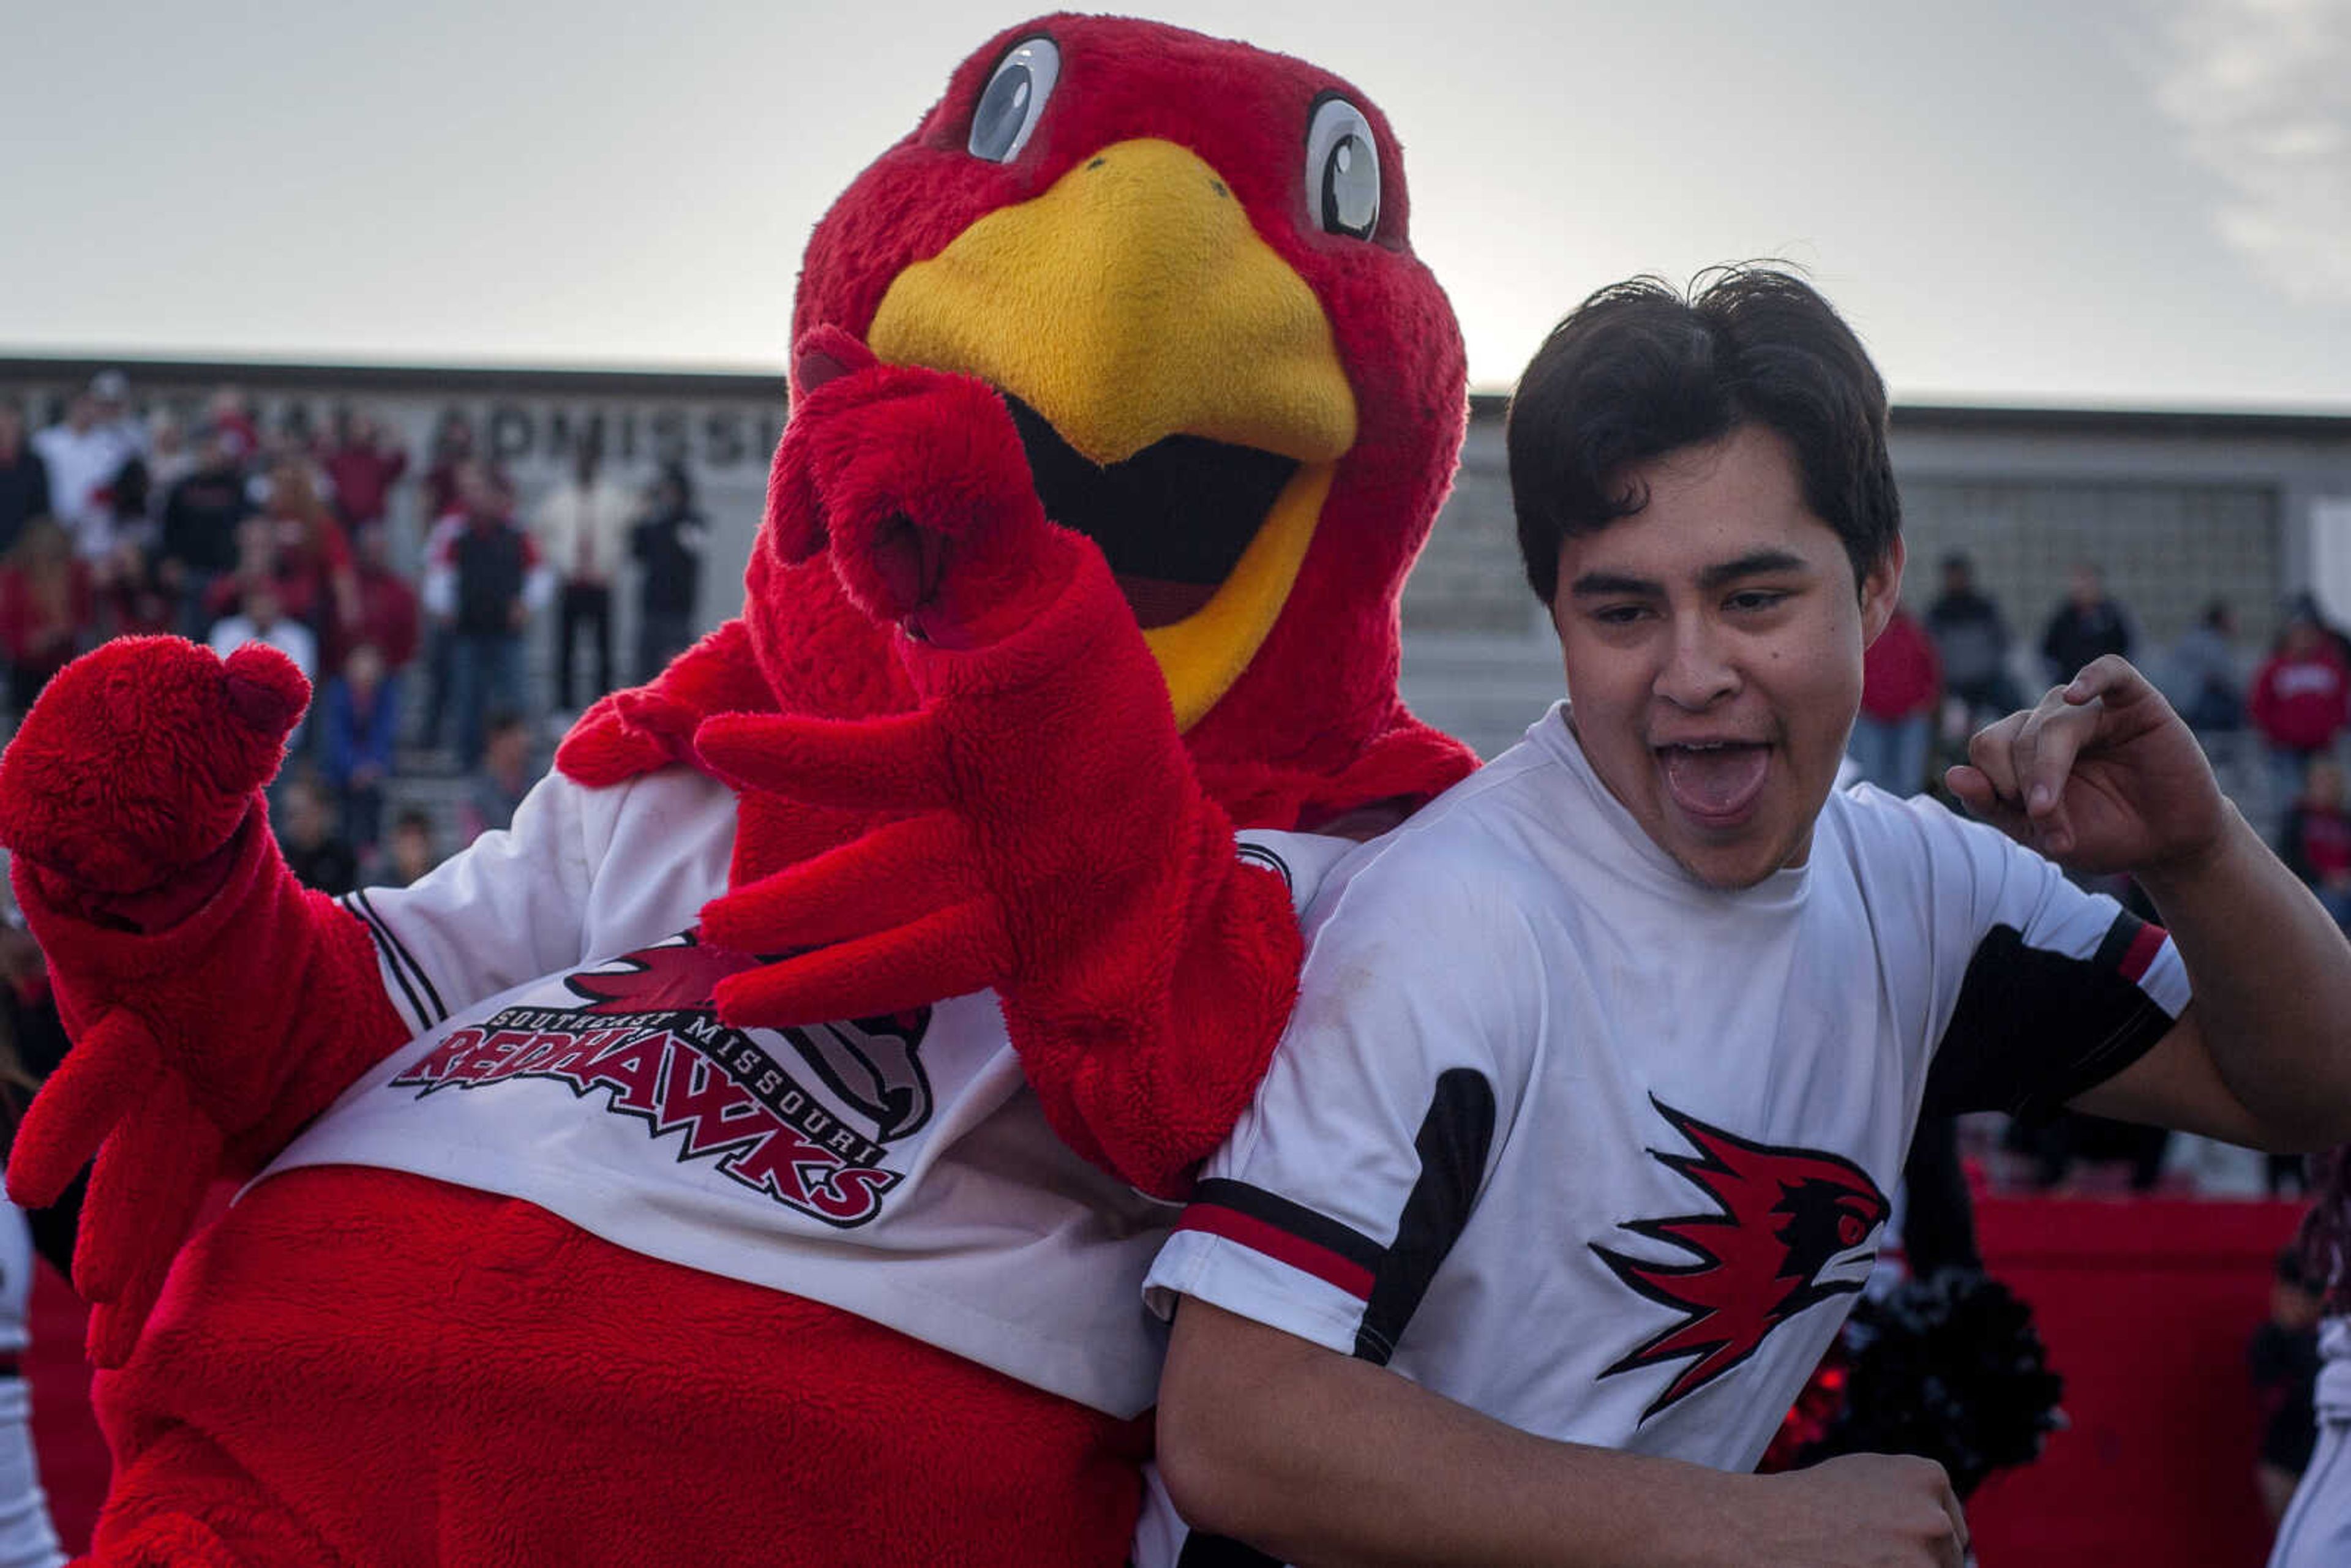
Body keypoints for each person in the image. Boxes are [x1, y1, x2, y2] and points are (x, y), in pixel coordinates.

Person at [1142, 269, 2351, 1568]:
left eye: (1755, 598)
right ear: (1558, 613)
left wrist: (2200, 847)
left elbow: (2306, 1084)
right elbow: (1235, 1420)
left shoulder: (1920, 890)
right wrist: (1744, 1528)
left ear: (1877, 586)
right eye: (1623, 609)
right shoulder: (1456, 918)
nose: (1695, 669)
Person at [424, 465, 547, 768]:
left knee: (514, 702)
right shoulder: (457, 533)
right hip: (469, 632)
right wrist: (443, 607)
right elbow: (439, 573)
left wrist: (526, 605)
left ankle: (520, 767)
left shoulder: (517, 533)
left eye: (485, 492)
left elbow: (541, 574)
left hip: (507, 634)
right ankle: (470, 767)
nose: (479, 499)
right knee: (468, 704)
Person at [531, 437, 635, 711]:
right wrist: (560, 565)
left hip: (601, 584)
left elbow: (628, 536)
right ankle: (563, 709)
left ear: (597, 463)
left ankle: (606, 709)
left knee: (604, 651)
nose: (584, 465)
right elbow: (541, 538)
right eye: (580, 459)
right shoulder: (559, 499)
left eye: (589, 459)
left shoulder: (614, 498)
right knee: (565, 650)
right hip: (570, 584)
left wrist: (612, 565)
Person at [2251, 607, 2351, 819]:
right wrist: (2274, 734)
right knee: (2288, 804)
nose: (2304, 638)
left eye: (2309, 632)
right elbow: (2259, 705)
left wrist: (2333, 728)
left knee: (2325, 804)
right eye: (2299, 632)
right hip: (2284, 749)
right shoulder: (2275, 667)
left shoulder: (2331, 666)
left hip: (2321, 748)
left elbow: (2342, 703)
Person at [2253, 1247, 2325, 1532]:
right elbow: (2276, 1394)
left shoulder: (2328, 1339)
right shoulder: (2269, 1339)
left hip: (2321, 1463)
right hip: (2283, 1465)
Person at [1851, 598, 1940, 793]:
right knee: (1871, 782)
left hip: (1909, 719)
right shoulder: (1860, 633)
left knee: (1909, 781)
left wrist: (1925, 702)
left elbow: (1931, 670)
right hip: (1871, 720)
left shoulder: (1912, 631)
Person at [629, 462, 707, 681]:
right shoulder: (652, 525)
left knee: (678, 673)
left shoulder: (692, 524)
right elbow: (637, 552)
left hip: (678, 611)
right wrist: (644, 517)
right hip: (652, 607)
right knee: (645, 671)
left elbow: (692, 551)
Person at [1923, 552, 2019, 729]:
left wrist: (1989, 664)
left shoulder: (1985, 608)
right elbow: (1929, 651)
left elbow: (2005, 640)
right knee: (1953, 732)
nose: (1955, 580)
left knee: (2015, 715)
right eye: (1951, 575)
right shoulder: (1937, 613)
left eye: (1959, 574)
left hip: (1988, 681)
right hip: (1955, 687)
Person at [2039, 561, 2135, 687]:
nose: (2082, 587)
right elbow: (2048, 650)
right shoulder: (2063, 616)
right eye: (2078, 581)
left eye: (2087, 581)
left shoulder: (2112, 616)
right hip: (2071, 686)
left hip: (2105, 687)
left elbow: (2126, 648)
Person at [0, 404, 50, 563]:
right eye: (4, 427)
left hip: (24, 551)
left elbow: (41, 509)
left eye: (13, 427)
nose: (9, 432)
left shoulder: (34, 464)